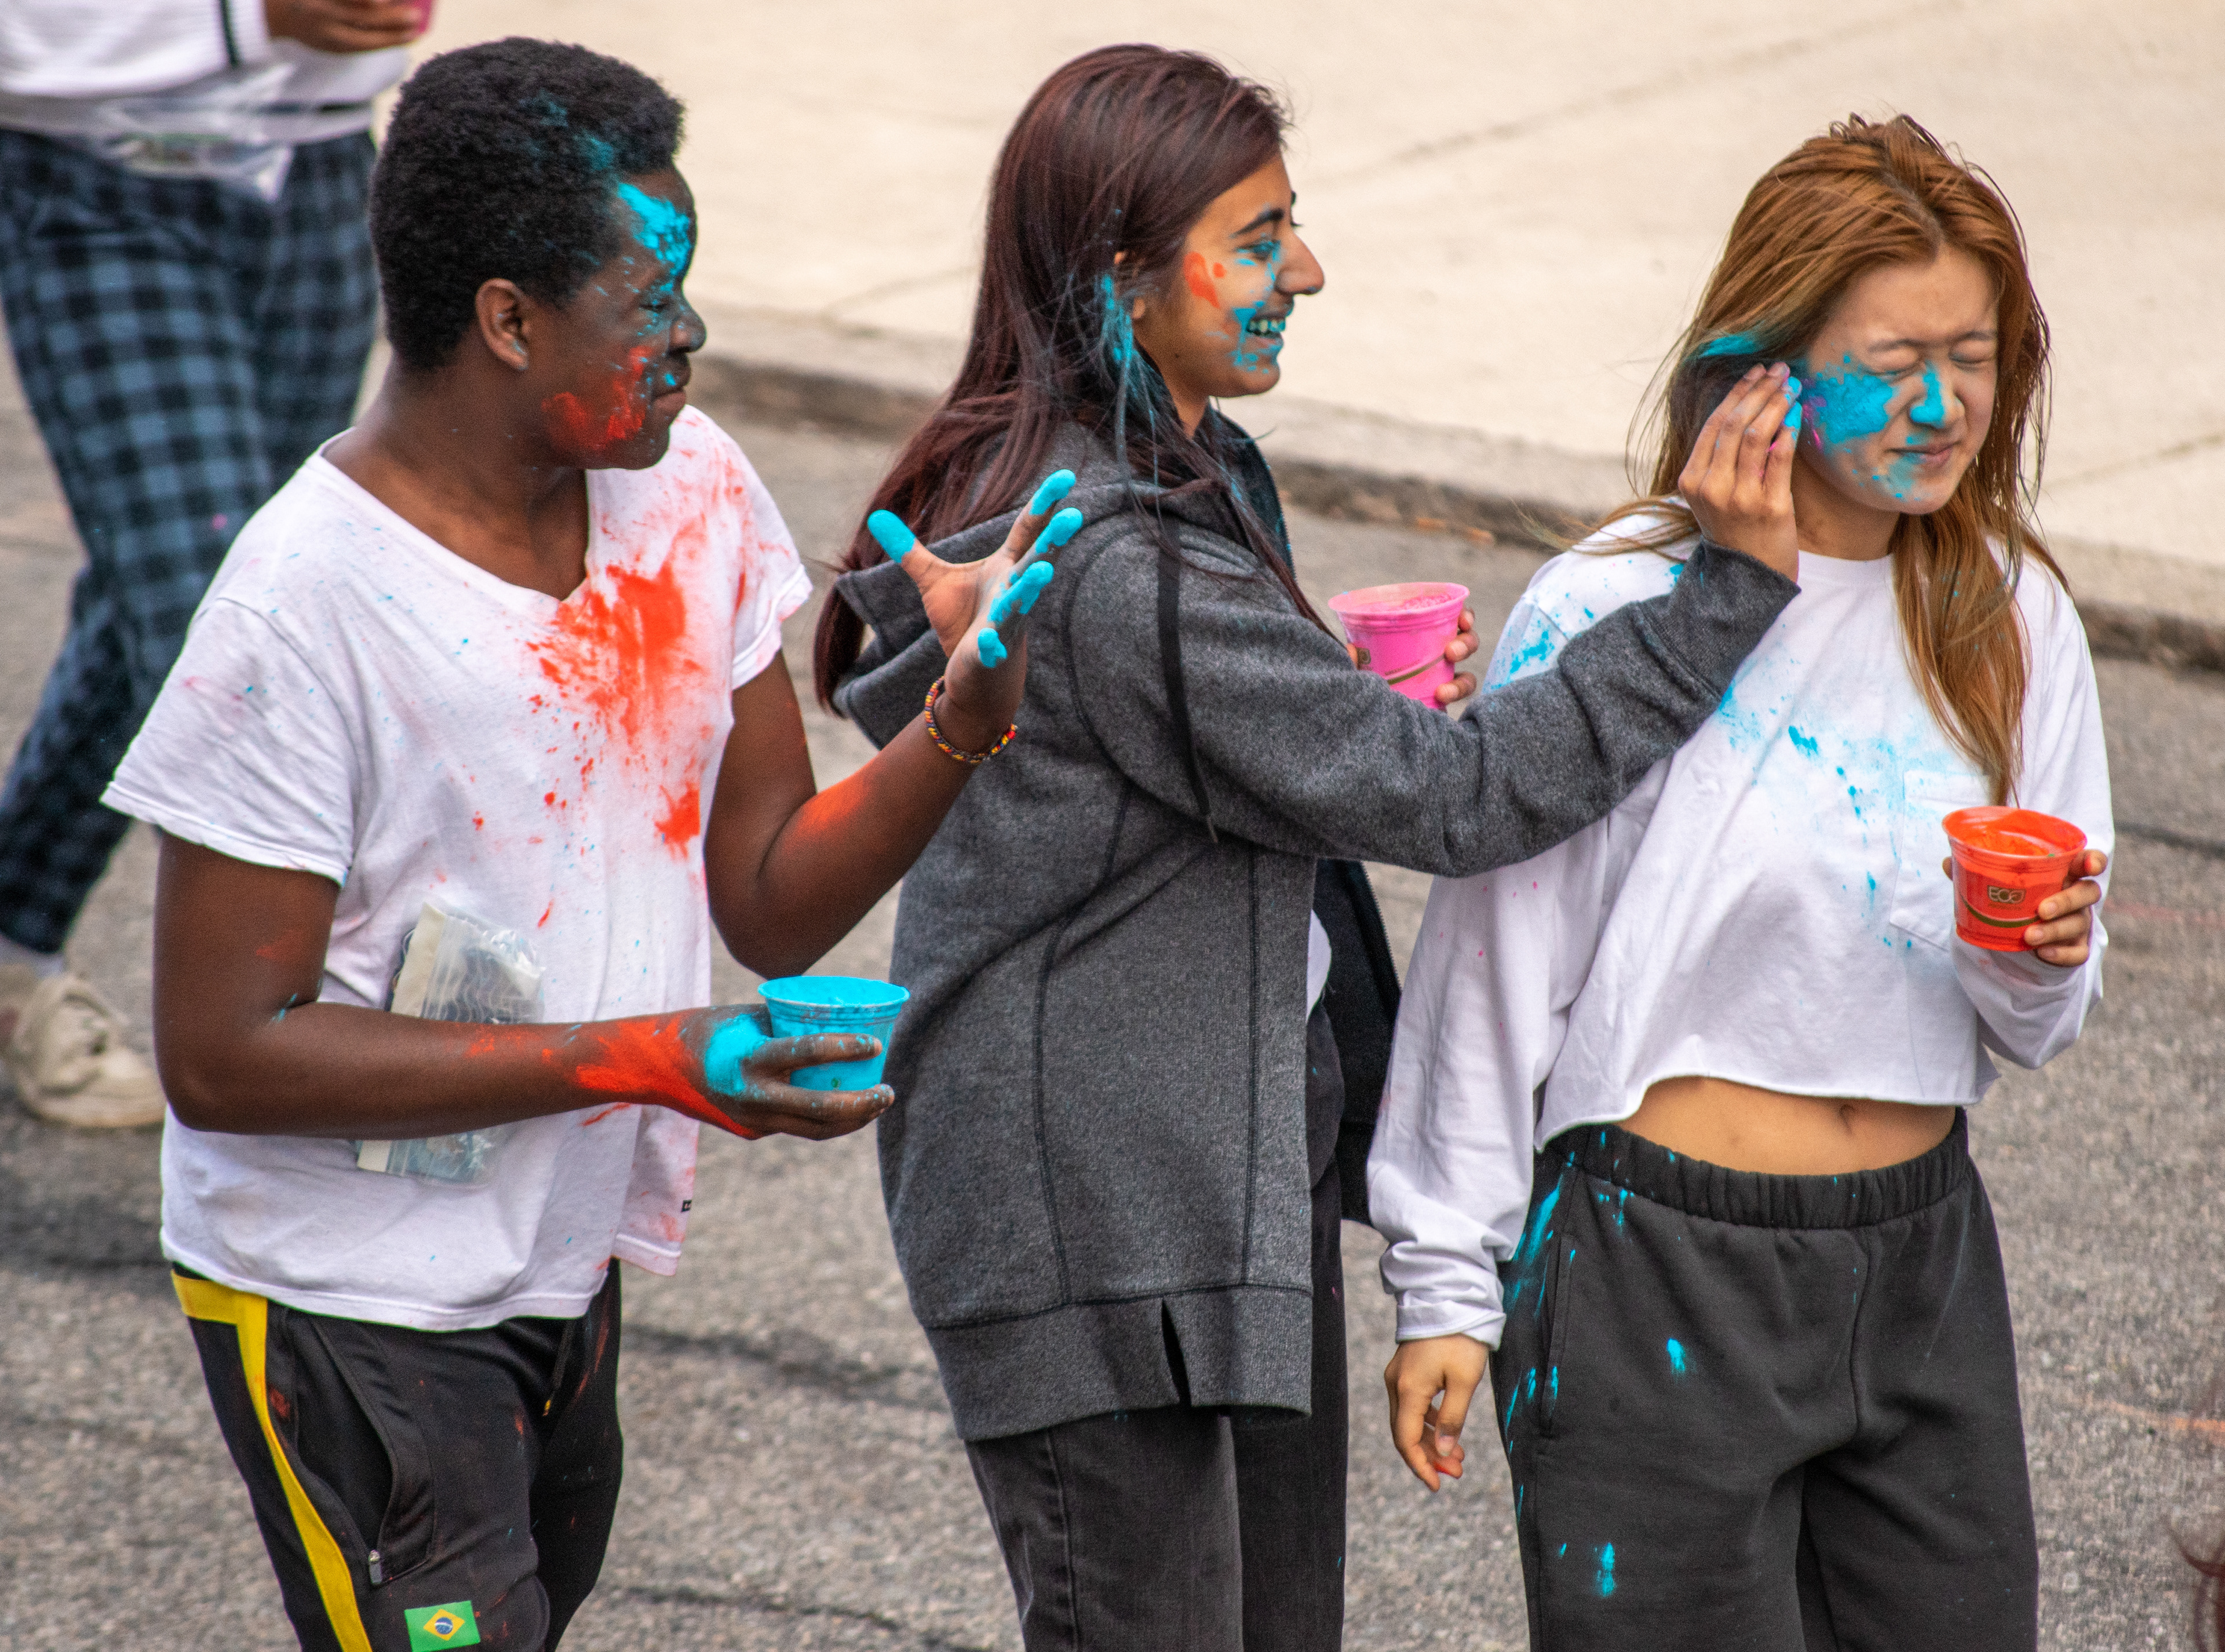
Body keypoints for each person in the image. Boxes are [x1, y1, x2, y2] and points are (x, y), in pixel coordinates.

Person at [814, 45, 1803, 1652]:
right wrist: (1725, 595)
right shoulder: (1115, 556)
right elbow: (1454, 799)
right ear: (1125, 279)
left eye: (1294, 227)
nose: (1308, 272)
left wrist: (1308, 691)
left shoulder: (1182, 461)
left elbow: (1180, 745)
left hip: (1210, 1178)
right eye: (1259, 240)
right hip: (1097, 1218)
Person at [99, 41, 1077, 1652]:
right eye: (652, 299)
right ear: (508, 320)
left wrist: (958, 721)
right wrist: (648, 1055)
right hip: (345, 1301)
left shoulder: (688, 493)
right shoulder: (303, 605)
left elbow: (769, 898)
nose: (693, 334)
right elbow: (222, 1052)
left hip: (558, 1271)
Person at [1370, 115, 2111, 1651]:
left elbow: (2035, 1024)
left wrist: (2043, 951)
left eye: (1973, 357)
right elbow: (1494, 965)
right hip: (1655, 1267)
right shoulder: (1617, 602)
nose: (1940, 404)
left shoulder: (2013, 613)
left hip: (1920, 1255)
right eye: (1893, 359)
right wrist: (1445, 1282)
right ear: (1763, 371)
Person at [0, 0, 432, 1125]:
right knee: (212, 626)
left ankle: (9, 942)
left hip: (320, 171)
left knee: (186, 592)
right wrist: (251, 17)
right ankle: (311, 1036)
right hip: (95, 170)